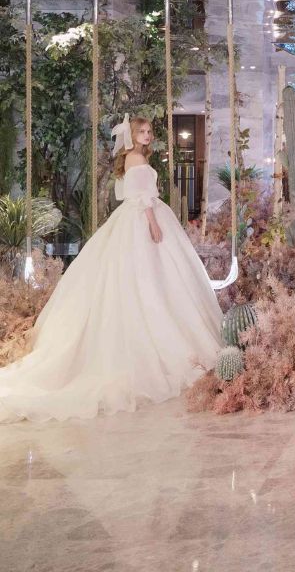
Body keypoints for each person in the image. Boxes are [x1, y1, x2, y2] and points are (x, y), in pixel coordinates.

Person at [0, 115, 223, 422]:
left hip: (135, 216)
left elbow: (129, 193)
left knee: (153, 278)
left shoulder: (134, 158)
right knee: (149, 278)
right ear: (131, 136)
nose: (146, 136)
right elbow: (142, 196)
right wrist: (153, 222)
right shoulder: (135, 159)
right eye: (141, 132)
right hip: (144, 218)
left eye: (148, 132)